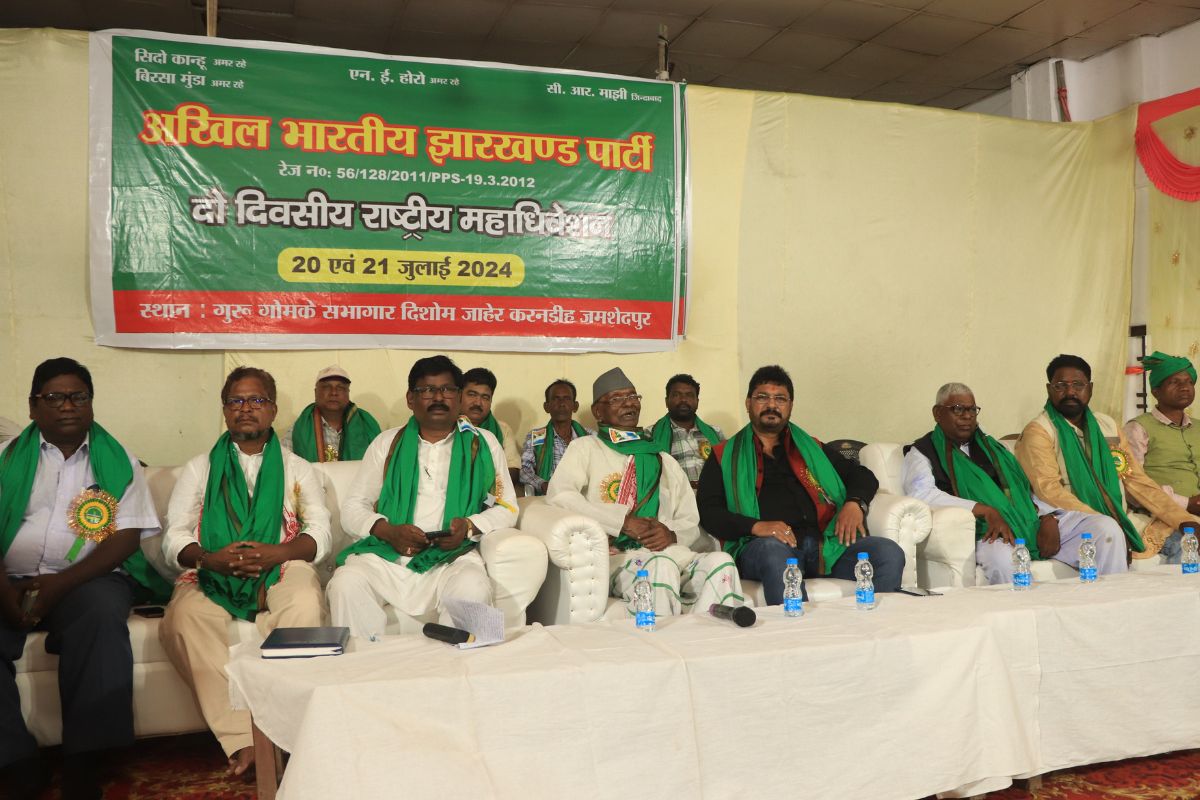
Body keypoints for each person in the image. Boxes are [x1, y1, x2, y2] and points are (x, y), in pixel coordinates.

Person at [1, 357, 169, 800]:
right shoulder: (4, 458)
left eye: (78, 396)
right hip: (9, 576)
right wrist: (4, 591)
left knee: (100, 616)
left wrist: (58, 585)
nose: (67, 405)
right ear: (33, 405)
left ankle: (86, 760)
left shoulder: (117, 460)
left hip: (86, 579)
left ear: (91, 403)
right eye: (54, 397)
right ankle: (15, 760)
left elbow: (126, 537)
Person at [159, 367, 330, 778]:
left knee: (305, 602)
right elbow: (174, 536)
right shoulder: (200, 468)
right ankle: (243, 739)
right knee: (185, 617)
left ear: (272, 409)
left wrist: (277, 553)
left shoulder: (297, 468)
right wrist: (210, 559)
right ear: (225, 411)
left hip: (281, 564)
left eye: (256, 400)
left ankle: (288, 731)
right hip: (214, 568)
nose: (246, 408)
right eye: (236, 400)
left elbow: (319, 532)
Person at [328, 356, 518, 640]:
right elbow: (353, 508)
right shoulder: (386, 443)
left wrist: (468, 527)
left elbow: (506, 507)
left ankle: (461, 665)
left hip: (451, 559)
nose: (438, 398)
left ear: (458, 397)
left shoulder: (483, 443)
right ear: (410, 398)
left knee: (473, 587)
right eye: (427, 390)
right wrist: (388, 531)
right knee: (346, 583)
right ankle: (366, 662)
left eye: (447, 389)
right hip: (387, 557)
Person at [697, 365, 902, 603]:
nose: (771, 405)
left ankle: (876, 624)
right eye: (762, 397)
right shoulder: (723, 455)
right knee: (775, 555)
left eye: (780, 399)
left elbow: (863, 475)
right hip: (764, 547)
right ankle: (798, 626)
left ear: (790, 406)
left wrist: (855, 503)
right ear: (748, 403)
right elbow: (709, 512)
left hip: (825, 546)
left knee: (888, 552)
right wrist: (756, 526)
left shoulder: (811, 448)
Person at [547, 367, 743, 617]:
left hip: (669, 552)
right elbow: (561, 494)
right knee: (660, 566)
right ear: (598, 411)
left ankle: (706, 636)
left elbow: (689, 519)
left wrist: (671, 534)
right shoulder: (586, 448)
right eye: (617, 399)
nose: (629, 403)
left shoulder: (662, 457)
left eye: (632, 397)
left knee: (721, 563)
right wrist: (622, 522)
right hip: (617, 556)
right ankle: (658, 639)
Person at [903, 382, 1127, 584]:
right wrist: (984, 510)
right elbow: (921, 494)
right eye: (958, 409)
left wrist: (1048, 517)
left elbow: (1024, 490)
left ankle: (1111, 604)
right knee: (1005, 560)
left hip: (1028, 519)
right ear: (937, 413)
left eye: (972, 410)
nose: (967, 416)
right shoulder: (922, 452)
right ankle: (1025, 613)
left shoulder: (993, 447)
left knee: (1105, 529)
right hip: (986, 532)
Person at [1016, 354, 1199, 564]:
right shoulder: (1040, 431)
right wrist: (1105, 520)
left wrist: (1182, 519)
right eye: (1061, 386)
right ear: (1049, 389)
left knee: (1188, 540)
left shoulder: (1107, 426)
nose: (1070, 392)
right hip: (1071, 521)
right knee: (1108, 531)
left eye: (1078, 385)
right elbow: (1048, 490)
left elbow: (1136, 480)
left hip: (1120, 518)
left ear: (1090, 388)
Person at [1123, 352, 1200, 526]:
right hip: (1162, 516)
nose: (1185, 387)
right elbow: (1131, 485)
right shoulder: (1137, 428)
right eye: (1175, 382)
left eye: (1189, 382)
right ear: (1155, 391)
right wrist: (1186, 503)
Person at [283, 365, 381, 462]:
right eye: (326, 387)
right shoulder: (298, 429)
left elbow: (382, 464)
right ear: (316, 392)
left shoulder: (366, 425)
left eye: (340, 388)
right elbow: (283, 464)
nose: (334, 392)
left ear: (348, 392)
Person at [647, 374, 724, 489]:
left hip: (712, 496)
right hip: (674, 498)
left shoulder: (716, 434)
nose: (683, 399)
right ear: (666, 401)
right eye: (676, 395)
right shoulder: (650, 435)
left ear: (697, 401)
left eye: (689, 395)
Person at [519, 379, 593, 497]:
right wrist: (542, 484)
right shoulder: (537, 436)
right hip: (550, 498)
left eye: (566, 398)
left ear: (575, 406)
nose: (561, 403)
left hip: (585, 498)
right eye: (555, 399)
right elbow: (524, 471)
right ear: (546, 407)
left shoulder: (590, 436)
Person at [461, 367, 521, 494]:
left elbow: (513, 471)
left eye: (485, 397)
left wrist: (488, 498)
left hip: (491, 497)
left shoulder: (502, 429)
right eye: (472, 394)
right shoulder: (446, 426)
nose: (478, 403)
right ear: (459, 395)